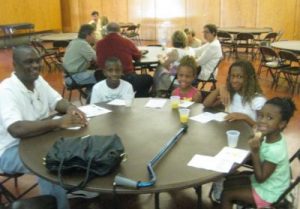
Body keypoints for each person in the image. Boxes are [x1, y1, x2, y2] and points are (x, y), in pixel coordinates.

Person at [0, 45, 88, 209]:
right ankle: (61, 204)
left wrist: (70, 108)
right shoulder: (6, 90)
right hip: (10, 150)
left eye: (37, 61)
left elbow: (57, 101)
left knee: (77, 143)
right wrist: (58, 122)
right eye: (28, 62)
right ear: (15, 65)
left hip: (38, 138)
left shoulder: (37, 80)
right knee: (49, 164)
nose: (35, 66)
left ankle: (74, 188)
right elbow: (16, 129)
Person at [221, 97, 296, 209]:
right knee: (229, 181)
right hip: (271, 183)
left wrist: (255, 152)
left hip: (270, 192)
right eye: (261, 115)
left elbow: (261, 178)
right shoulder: (272, 136)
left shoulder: (275, 150)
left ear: (281, 124)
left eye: (269, 118)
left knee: (226, 194)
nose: (262, 121)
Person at [96, 22, 152, 97]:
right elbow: (137, 57)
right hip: (126, 78)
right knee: (148, 79)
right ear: (119, 31)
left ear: (106, 31)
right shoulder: (127, 42)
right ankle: (136, 99)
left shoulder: (99, 44)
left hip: (104, 79)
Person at [203, 60, 266, 127]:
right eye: (232, 76)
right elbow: (206, 104)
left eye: (240, 77)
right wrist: (219, 89)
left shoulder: (258, 100)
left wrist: (245, 118)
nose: (234, 80)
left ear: (249, 79)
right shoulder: (231, 93)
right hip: (228, 130)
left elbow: (262, 127)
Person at [153, 30, 195, 96]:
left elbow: (165, 65)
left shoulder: (175, 52)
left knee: (160, 68)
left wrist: (160, 58)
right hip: (187, 78)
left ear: (173, 40)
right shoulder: (191, 50)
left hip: (175, 79)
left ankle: (157, 91)